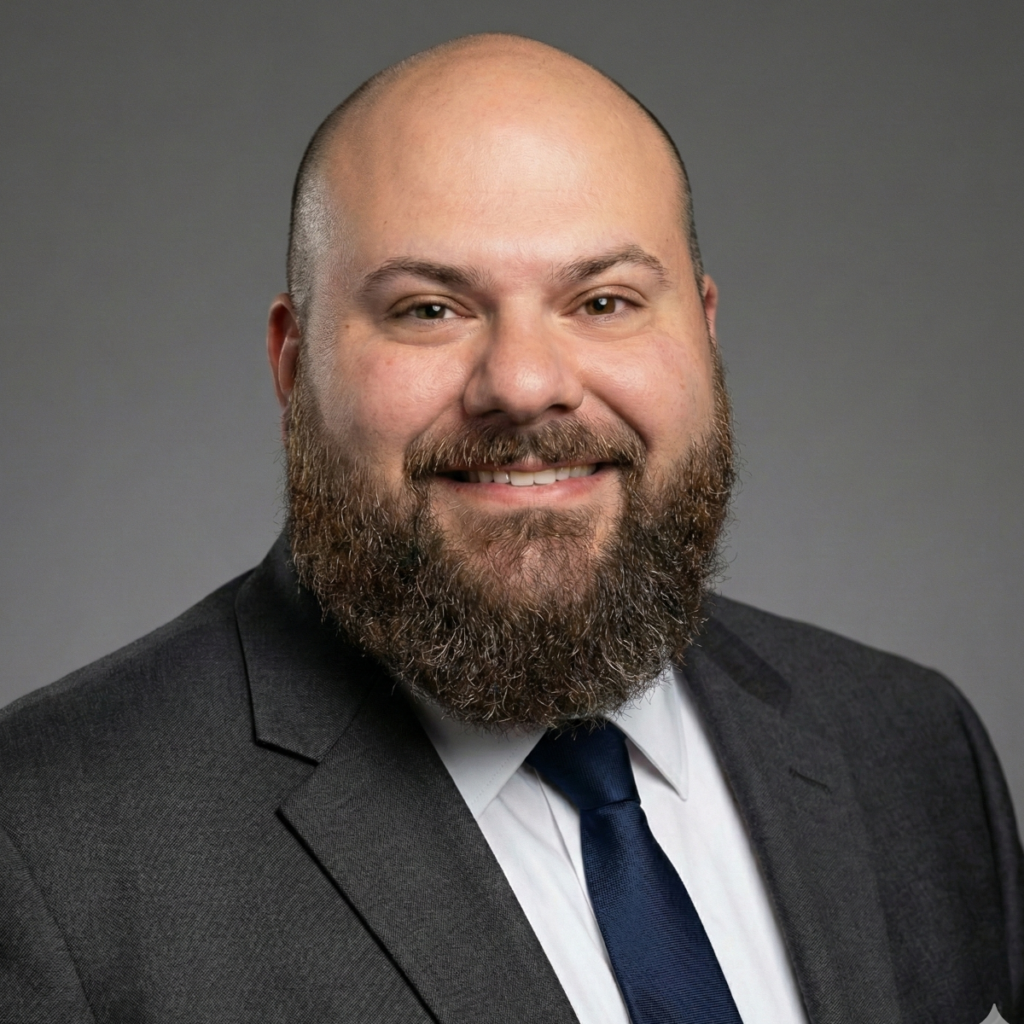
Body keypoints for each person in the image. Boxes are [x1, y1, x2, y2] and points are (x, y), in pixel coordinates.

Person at [0, 32, 1020, 1024]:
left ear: (703, 335)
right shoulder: (46, 841)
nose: (525, 385)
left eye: (605, 300)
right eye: (429, 309)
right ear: (291, 361)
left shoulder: (912, 747)